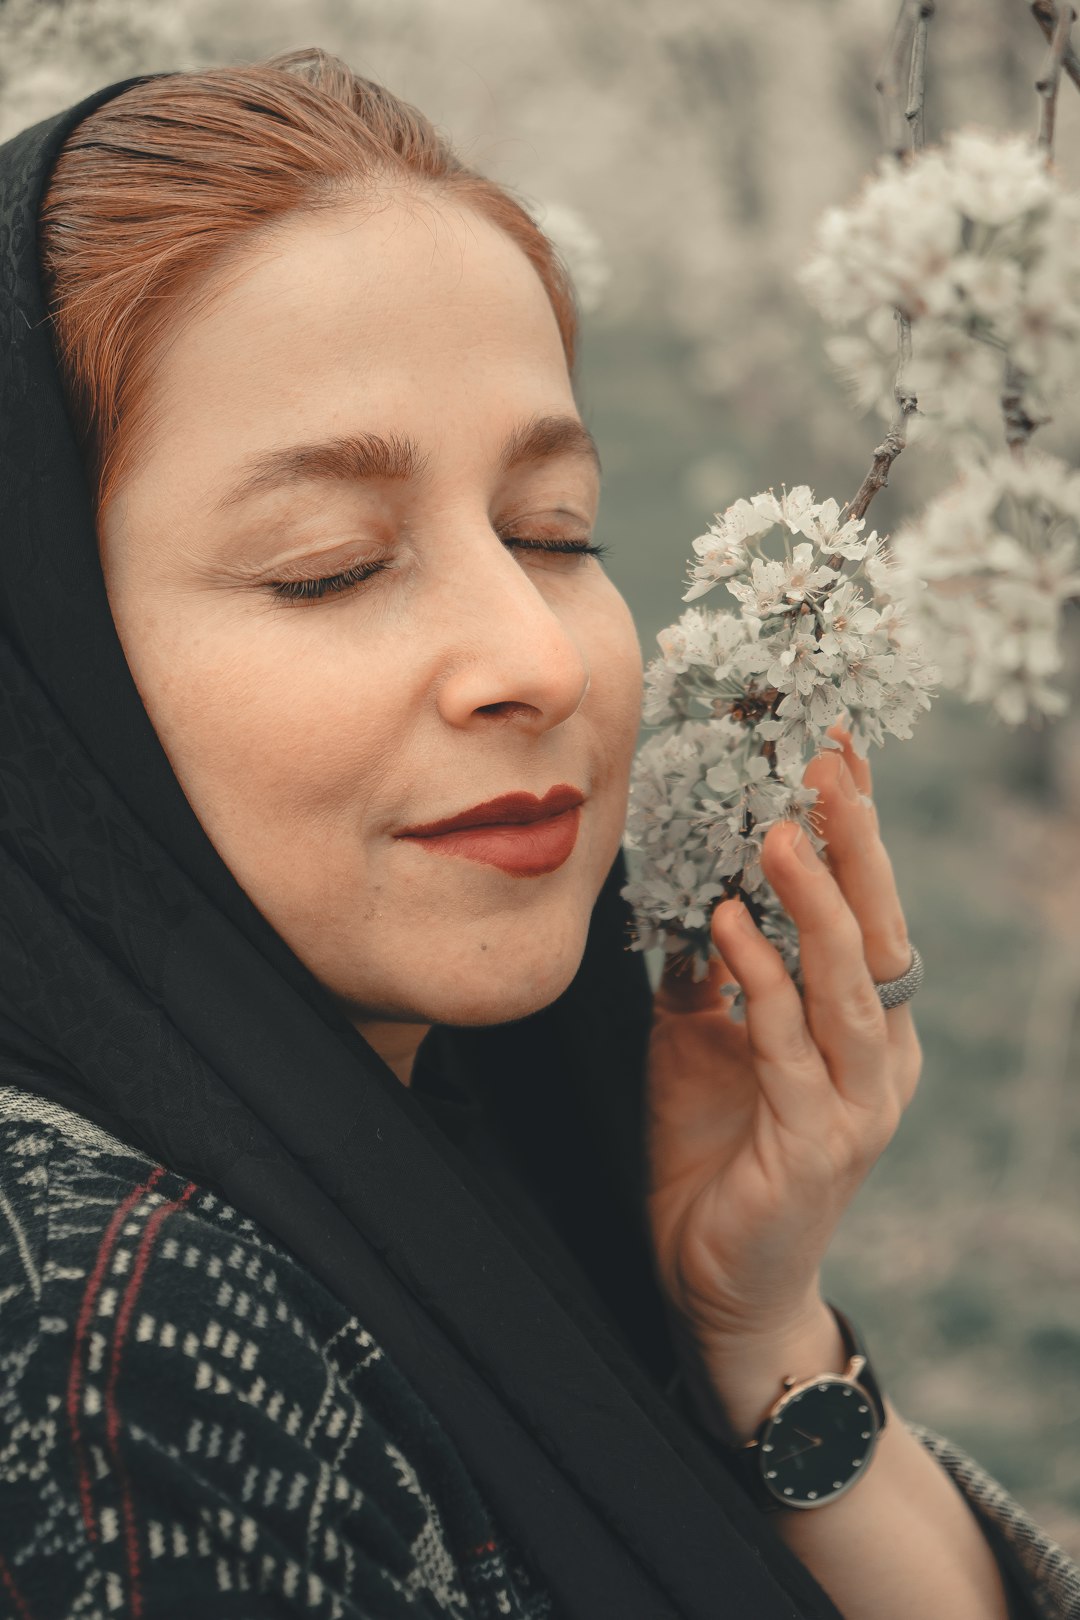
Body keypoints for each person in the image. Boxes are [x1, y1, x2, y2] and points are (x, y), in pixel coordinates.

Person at [0, 47, 1076, 1620]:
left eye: (552, 531)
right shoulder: (100, 1339)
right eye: (329, 566)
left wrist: (757, 1335)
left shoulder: (469, 1137)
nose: (541, 658)